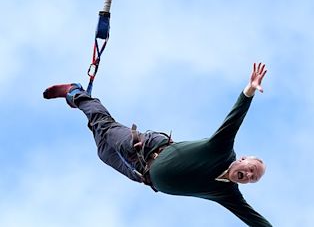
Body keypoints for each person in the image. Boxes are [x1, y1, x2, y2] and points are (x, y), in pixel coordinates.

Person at [43, 62, 272, 227]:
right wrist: (250, 89)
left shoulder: (227, 194)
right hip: (146, 147)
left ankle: (87, 107)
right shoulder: (222, 149)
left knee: (102, 150)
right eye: (251, 169)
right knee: (105, 127)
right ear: (241, 160)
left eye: (253, 178)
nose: (249, 175)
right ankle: (75, 92)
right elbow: (236, 116)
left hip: (141, 174)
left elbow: (256, 221)